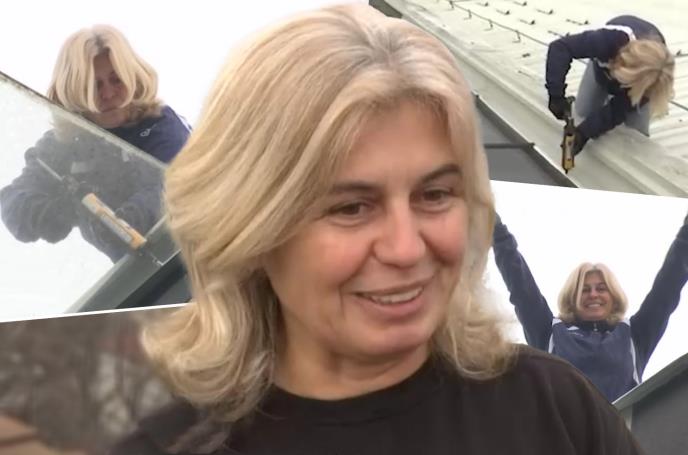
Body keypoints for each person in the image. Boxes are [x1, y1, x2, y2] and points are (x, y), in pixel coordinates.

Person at [111, 5, 643, 454]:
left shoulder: (554, 409)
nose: (406, 248)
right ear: (250, 227)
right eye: (351, 207)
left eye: (434, 195)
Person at [0, 25, 190, 262]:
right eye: (94, 85)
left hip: (196, 254)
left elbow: (177, 185)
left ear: (132, 77)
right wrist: (54, 212)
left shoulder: (160, 125)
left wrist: (129, 219)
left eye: (116, 79)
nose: (108, 94)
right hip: (140, 275)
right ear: (75, 91)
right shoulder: (64, 145)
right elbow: (12, 200)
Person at [492, 212, 688, 402]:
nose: (593, 294)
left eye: (601, 289)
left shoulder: (634, 335)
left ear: (614, 297)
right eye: (584, 290)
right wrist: (497, 232)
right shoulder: (550, 332)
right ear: (572, 298)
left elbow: (667, 287)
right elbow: (521, 288)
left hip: (617, 423)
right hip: (565, 425)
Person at [545, 15, 674, 156]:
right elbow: (560, 48)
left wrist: (584, 132)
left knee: (636, 135)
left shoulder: (652, 79)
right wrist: (556, 95)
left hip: (636, 83)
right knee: (583, 111)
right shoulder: (607, 41)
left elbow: (618, 109)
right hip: (608, 61)